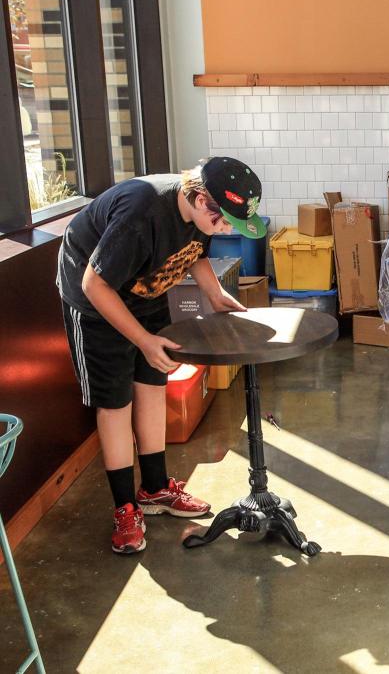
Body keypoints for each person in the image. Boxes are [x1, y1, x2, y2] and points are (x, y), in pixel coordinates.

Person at [56, 157, 267, 554]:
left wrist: (216, 295)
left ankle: (154, 489)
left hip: (145, 287)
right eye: (224, 223)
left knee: (153, 382)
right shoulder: (142, 213)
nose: (226, 231)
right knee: (116, 402)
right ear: (202, 200)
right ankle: (125, 509)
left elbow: (195, 250)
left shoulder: (200, 209)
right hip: (96, 300)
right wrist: (143, 340)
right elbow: (94, 284)